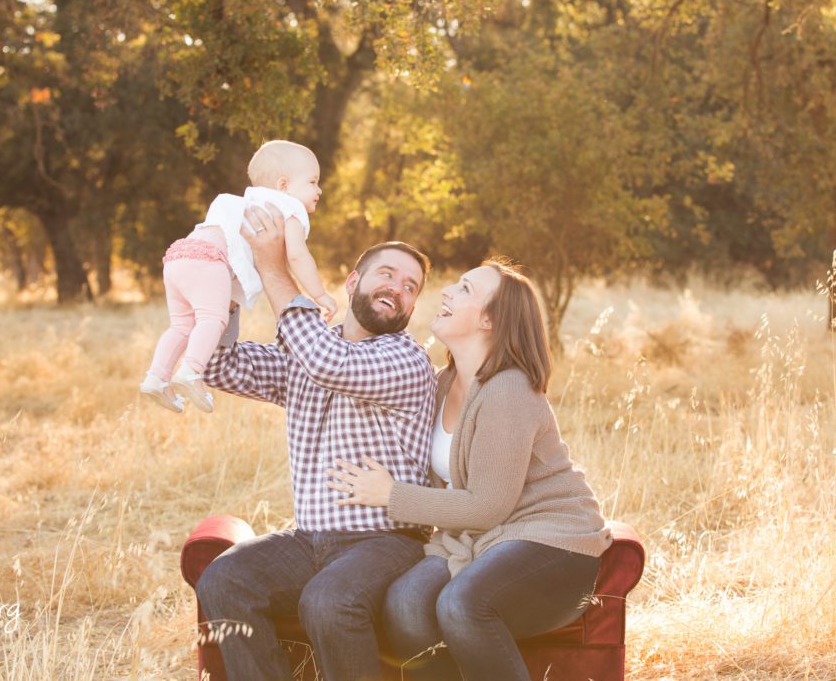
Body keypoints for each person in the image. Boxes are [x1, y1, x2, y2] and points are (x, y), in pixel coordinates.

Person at [327, 259, 612, 681]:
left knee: (462, 603)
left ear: (488, 320)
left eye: (463, 290)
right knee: (404, 603)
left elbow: (488, 505)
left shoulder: (509, 389)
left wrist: (392, 495)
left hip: (550, 541)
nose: (444, 292)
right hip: (475, 542)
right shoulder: (442, 382)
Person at [194, 203, 437, 681]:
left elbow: (331, 363)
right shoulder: (311, 349)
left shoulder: (407, 359)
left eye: (411, 288)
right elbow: (219, 365)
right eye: (387, 275)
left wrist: (273, 266)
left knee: (327, 601)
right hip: (312, 537)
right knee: (224, 579)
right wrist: (227, 288)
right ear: (351, 282)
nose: (399, 290)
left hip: (387, 539)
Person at [140, 140, 338, 414]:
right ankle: (191, 371)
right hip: (209, 260)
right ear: (283, 185)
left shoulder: (246, 202)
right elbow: (297, 256)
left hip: (179, 254)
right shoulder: (290, 208)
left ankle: (156, 378)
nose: (319, 190)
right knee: (213, 319)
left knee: (182, 326)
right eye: (313, 182)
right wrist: (319, 294)